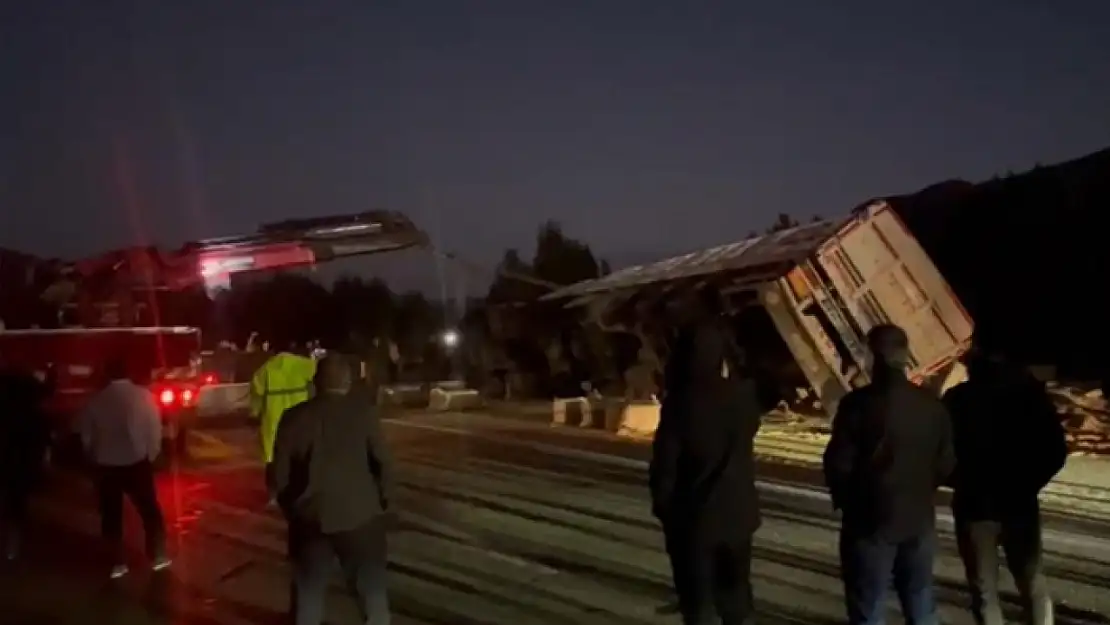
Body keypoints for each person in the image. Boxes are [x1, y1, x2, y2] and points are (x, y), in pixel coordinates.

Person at [650, 289, 778, 625]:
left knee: (699, 606)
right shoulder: (742, 398)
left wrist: (667, 516)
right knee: (737, 599)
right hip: (738, 517)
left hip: (694, 524)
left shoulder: (679, 405)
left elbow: (664, 472)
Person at [824, 324, 955, 625]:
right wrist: (922, 489)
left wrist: (849, 503)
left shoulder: (857, 405)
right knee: (920, 601)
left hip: (870, 523)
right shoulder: (932, 406)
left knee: (868, 606)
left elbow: (839, 465)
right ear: (905, 356)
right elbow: (946, 462)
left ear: (873, 357)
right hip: (918, 518)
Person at [943, 330, 1066, 625]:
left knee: (985, 592)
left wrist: (956, 479)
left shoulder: (958, 400)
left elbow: (940, 451)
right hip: (1019, 504)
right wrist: (1030, 482)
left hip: (975, 506)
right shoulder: (1030, 398)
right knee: (1032, 582)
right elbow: (1055, 451)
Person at [271, 355, 394, 625]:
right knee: (372, 596)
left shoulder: (293, 417)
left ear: (316, 383)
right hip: (361, 517)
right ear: (348, 382)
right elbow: (382, 462)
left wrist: (292, 510)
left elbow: (279, 476)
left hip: (310, 519)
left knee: (308, 598)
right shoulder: (364, 413)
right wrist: (382, 501)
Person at [77, 359, 170, 578]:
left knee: (111, 515)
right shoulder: (143, 396)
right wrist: (152, 454)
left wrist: (93, 457)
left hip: (107, 465)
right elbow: (154, 429)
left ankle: (117, 563)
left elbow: (86, 437)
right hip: (137, 462)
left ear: (106, 375)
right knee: (150, 511)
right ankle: (157, 554)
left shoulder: (96, 401)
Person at [0, 360, 53, 560]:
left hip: (7, 459)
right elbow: (40, 441)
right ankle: (12, 545)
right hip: (21, 465)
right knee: (16, 503)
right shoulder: (35, 416)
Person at [250, 346, 317, 502]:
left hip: (273, 419)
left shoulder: (266, 369)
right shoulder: (304, 365)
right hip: (299, 417)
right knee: (300, 456)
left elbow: (256, 395)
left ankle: (274, 496)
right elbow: (321, 377)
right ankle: (300, 492)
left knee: (272, 458)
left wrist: (254, 413)